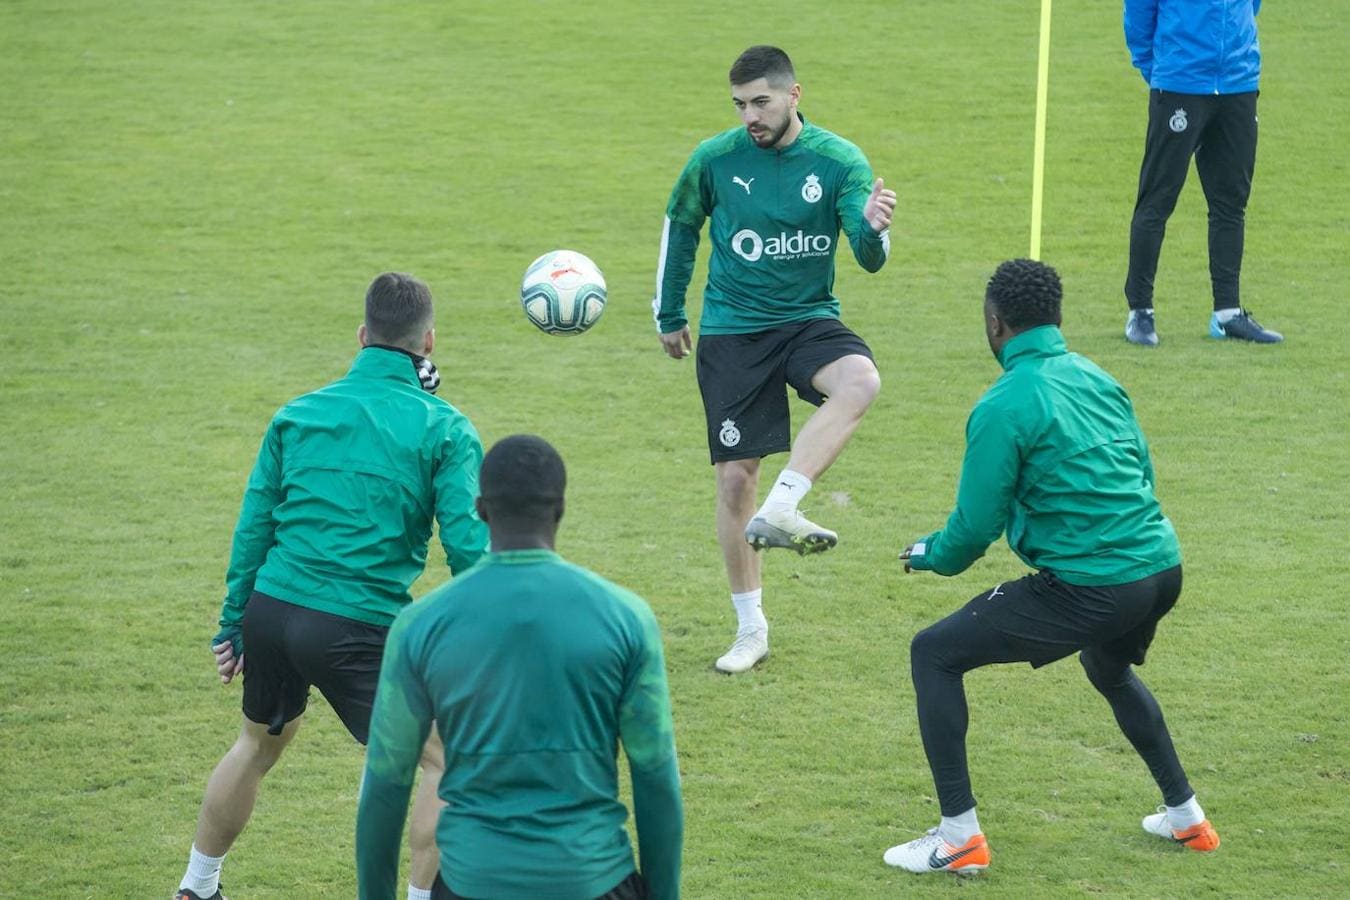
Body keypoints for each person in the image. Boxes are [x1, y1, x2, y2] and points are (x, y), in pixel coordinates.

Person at [884, 259, 1219, 875]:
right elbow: (1141, 470)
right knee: (1108, 667)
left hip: (1094, 585)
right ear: (1058, 317)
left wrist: (928, 553)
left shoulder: (1003, 405)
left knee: (933, 653)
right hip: (1162, 567)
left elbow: (973, 530)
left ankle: (959, 838)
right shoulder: (1098, 376)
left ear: (994, 324)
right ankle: (1187, 819)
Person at [174, 272, 488, 900]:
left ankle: (196, 886)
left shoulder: (297, 414)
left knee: (257, 744)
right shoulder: (446, 429)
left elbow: (254, 527)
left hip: (273, 609)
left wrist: (234, 622)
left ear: (362, 335)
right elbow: (468, 549)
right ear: (429, 342)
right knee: (449, 759)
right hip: (354, 625)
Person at [652, 44, 897, 674]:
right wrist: (670, 313)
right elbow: (681, 226)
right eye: (740, 105)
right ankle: (750, 628)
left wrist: (873, 228)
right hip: (734, 330)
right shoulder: (716, 158)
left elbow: (868, 258)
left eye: (760, 102)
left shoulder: (840, 161)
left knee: (861, 379)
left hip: (808, 319)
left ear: (794, 95)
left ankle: (786, 502)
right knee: (735, 480)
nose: (750, 117)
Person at [356, 435, 683, 900]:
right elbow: (655, 777)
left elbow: (387, 782)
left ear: (482, 510)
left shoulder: (420, 625)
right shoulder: (626, 617)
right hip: (594, 878)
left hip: (473, 880)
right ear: (561, 509)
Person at [1123, 0, 1282, 346]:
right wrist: (1159, 69)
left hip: (1238, 84)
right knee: (1157, 200)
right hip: (1180, 83)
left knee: (1231, 204)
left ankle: (1227, 313)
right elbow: (1138, 13)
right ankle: (1140, 312)